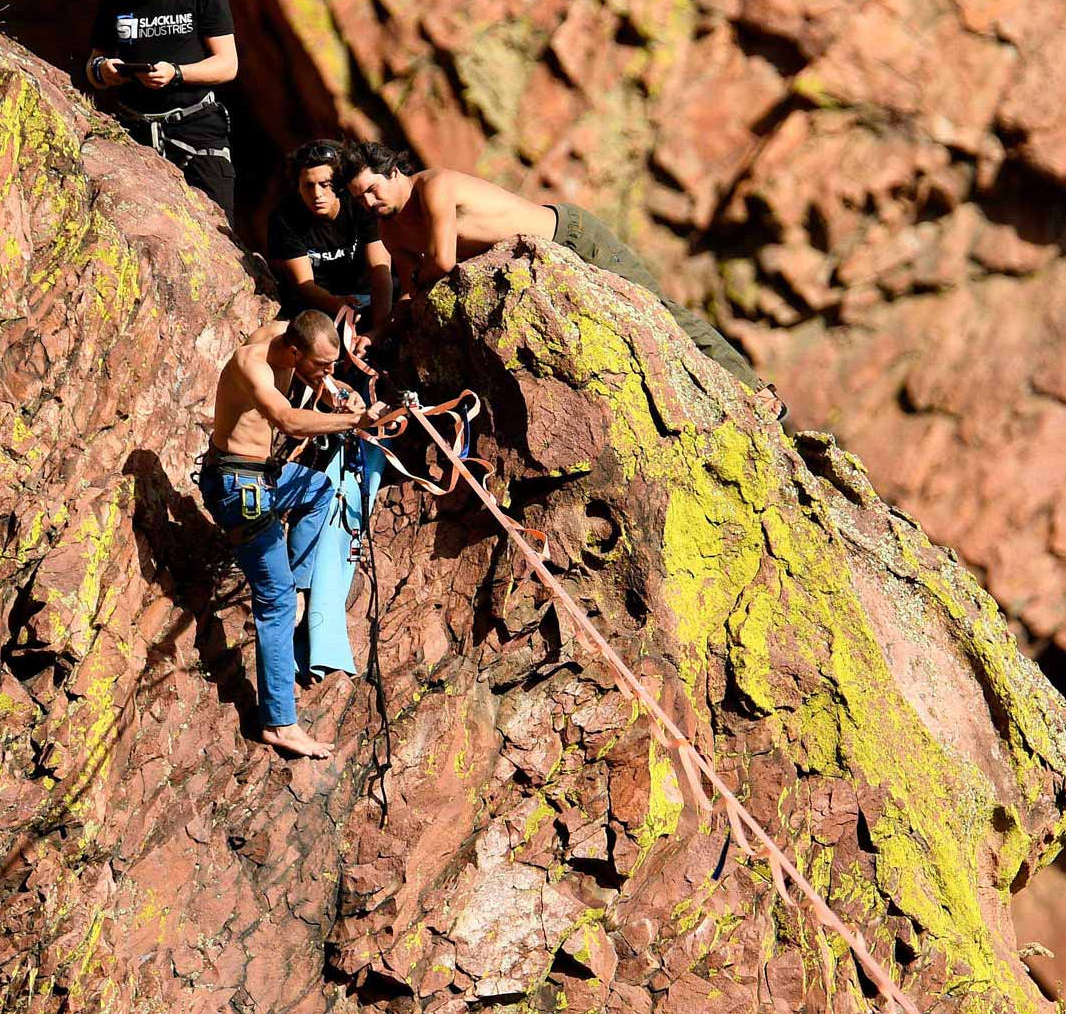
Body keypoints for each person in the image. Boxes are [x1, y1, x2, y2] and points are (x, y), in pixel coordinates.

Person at [333, 142, 785, 418]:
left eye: (374, 189)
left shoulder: (435, 187)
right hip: (533, 270)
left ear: (395, 172)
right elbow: (415, 292)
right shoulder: (391, 229)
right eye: (360, 199)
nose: (370, 202)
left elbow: (443, 262)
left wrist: (420, 280)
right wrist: (379, 330)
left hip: (569, 237)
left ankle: (758, 390)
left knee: (657, 311)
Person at [199, 310, 389, 758]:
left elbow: (321, 384)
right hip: (237, 486)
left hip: (263, 475)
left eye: (331, 364)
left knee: (319, 490)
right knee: (275, 599)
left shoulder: (290, 340)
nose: (327, 373)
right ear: (293, 351)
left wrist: (338, 394)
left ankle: (299, 583)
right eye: (321, 365)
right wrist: (352, 423)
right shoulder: (253, 363)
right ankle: (279, 723)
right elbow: (287, 420)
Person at [86, 0, 239, 223]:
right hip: (134, 129)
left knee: (218, 229)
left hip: (196, 131)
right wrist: (104, 71)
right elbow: (93, 65)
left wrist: (176, 73)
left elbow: (227, 64)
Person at [266, 140, 396, 335]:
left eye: (325, 185)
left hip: (369, 297)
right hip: (318, 306)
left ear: (340, 184)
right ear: (298, 187)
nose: (317, 194)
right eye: (308, 186)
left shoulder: (361, 204)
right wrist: (338, 306)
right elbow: (304, 285)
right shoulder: (284, 218)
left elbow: (381, 271)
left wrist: (378, 333)